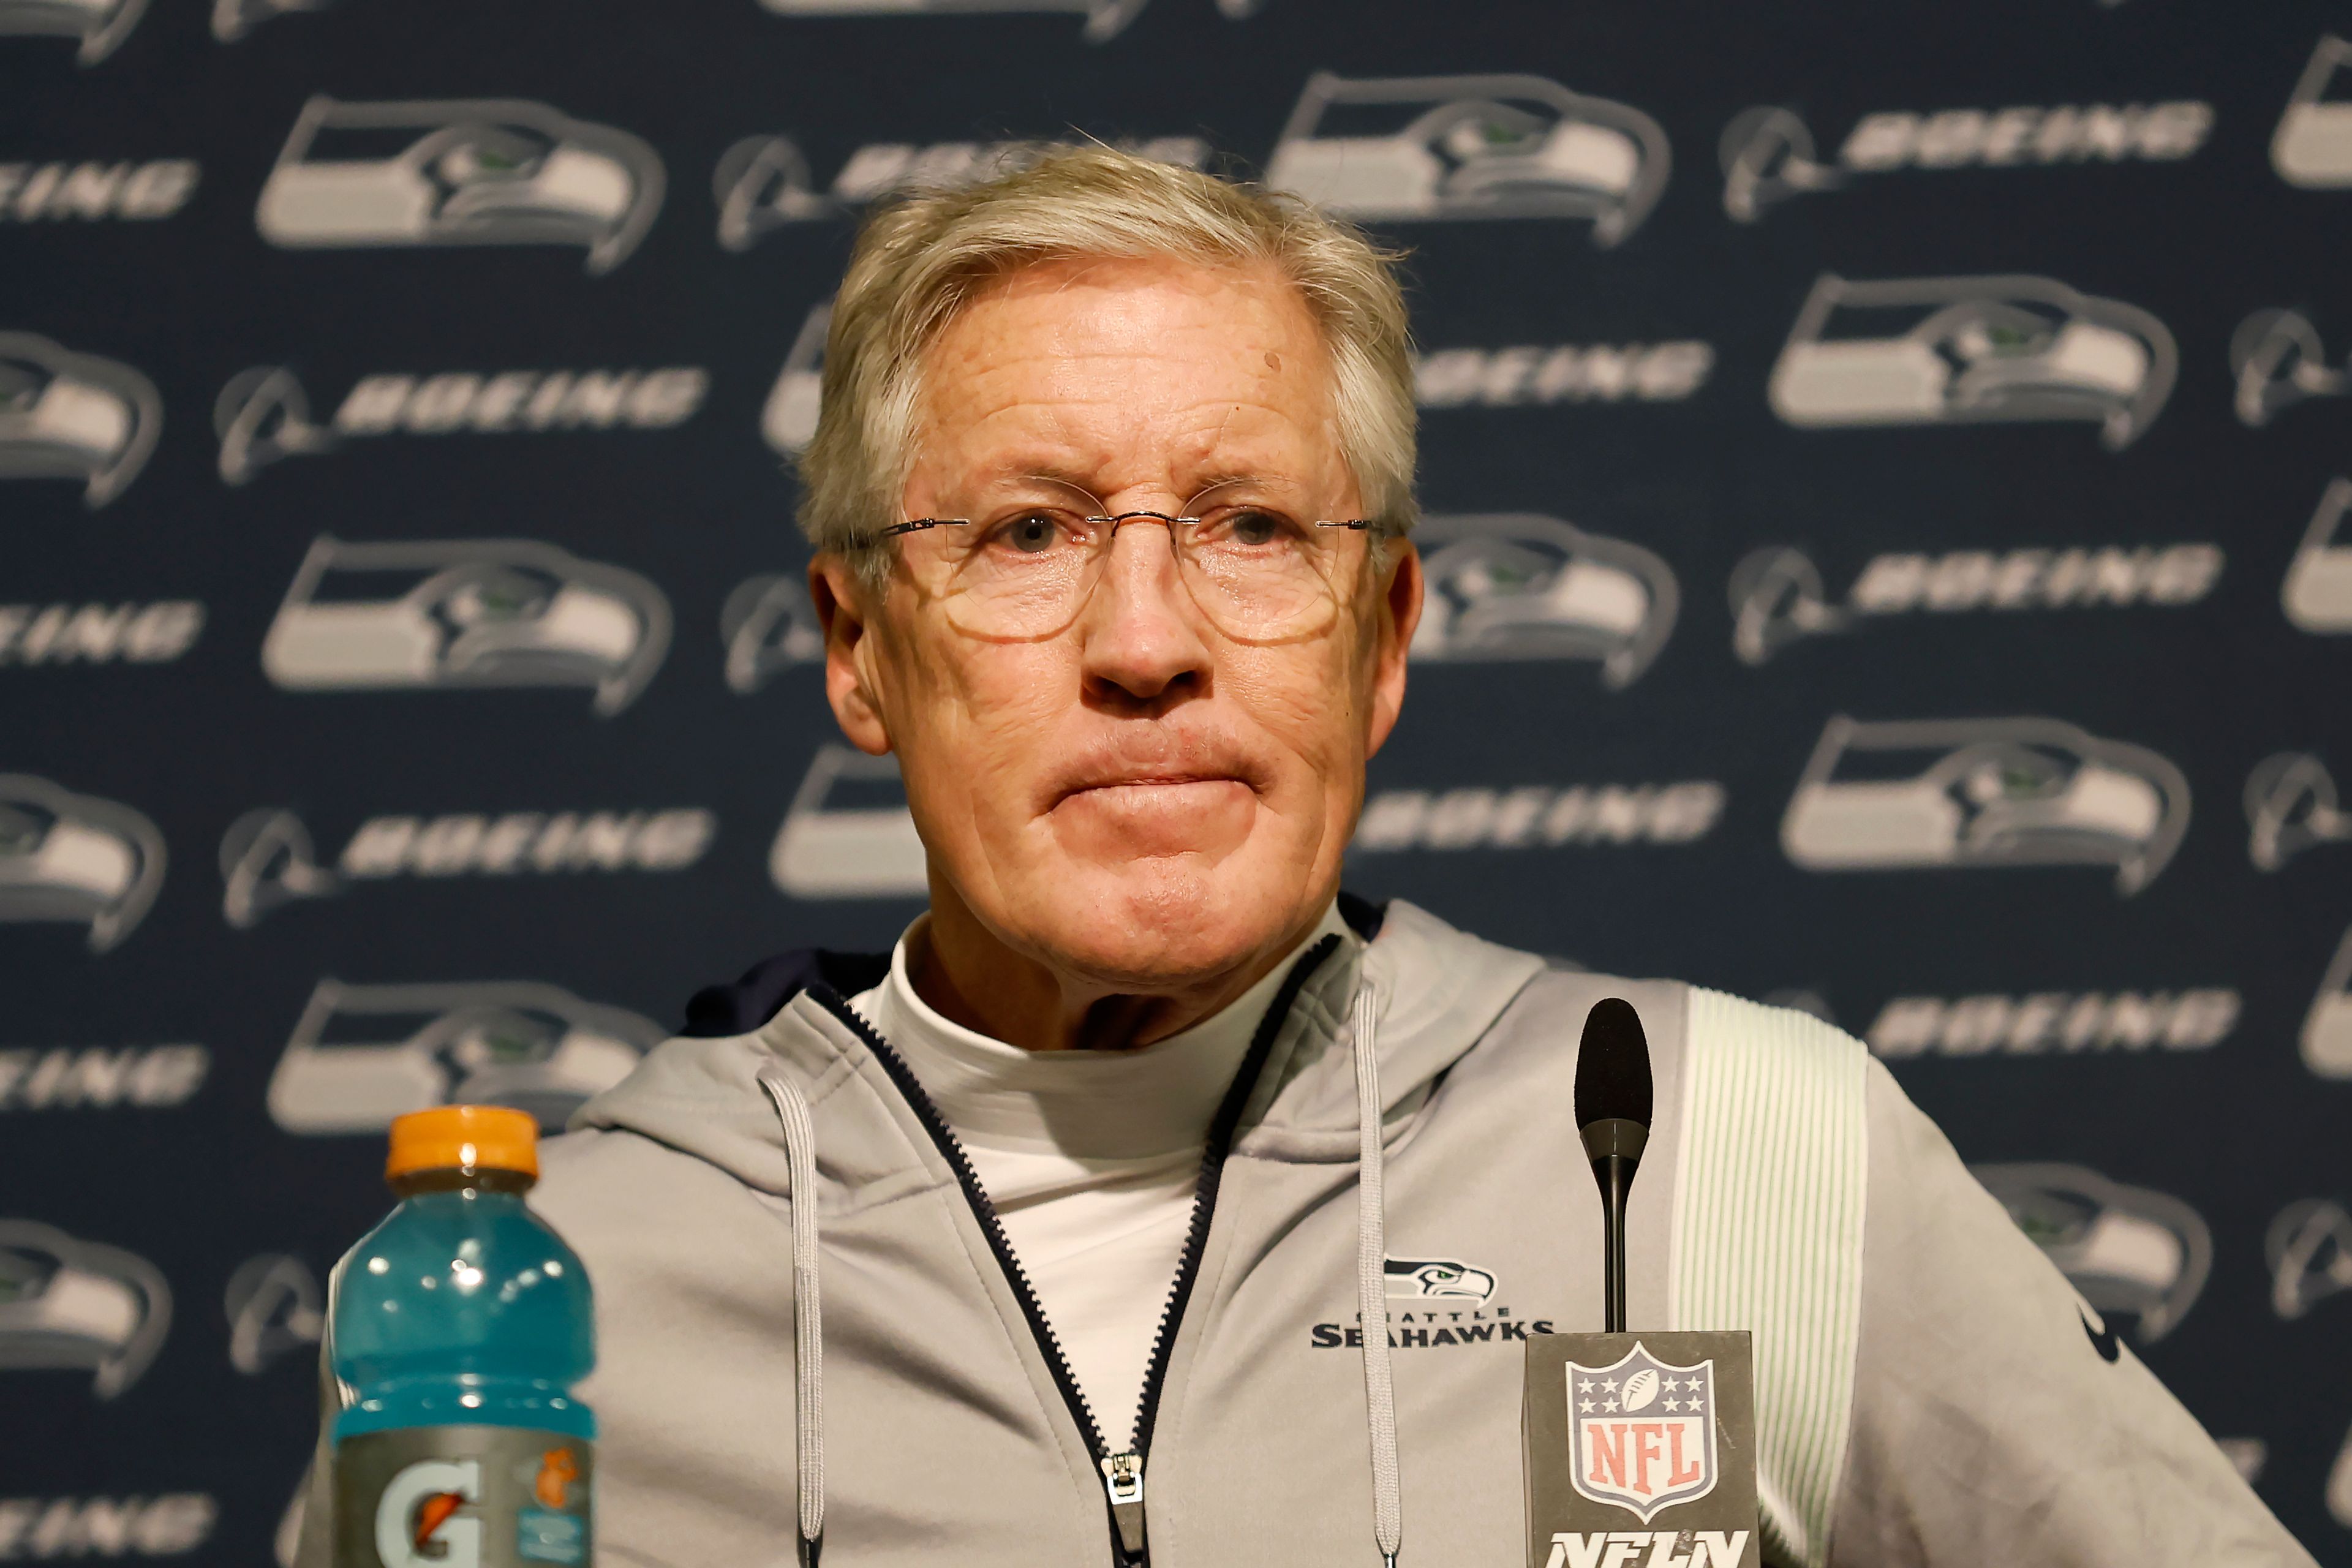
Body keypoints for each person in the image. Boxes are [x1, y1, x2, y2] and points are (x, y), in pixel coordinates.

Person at [296, 147, 2311, 1568]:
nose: (1151, 641)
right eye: (1026, 534)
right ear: (858, 653)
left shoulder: (1746, 1149)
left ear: (1385, 642)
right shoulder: (557, 1296)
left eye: (1254, 526)